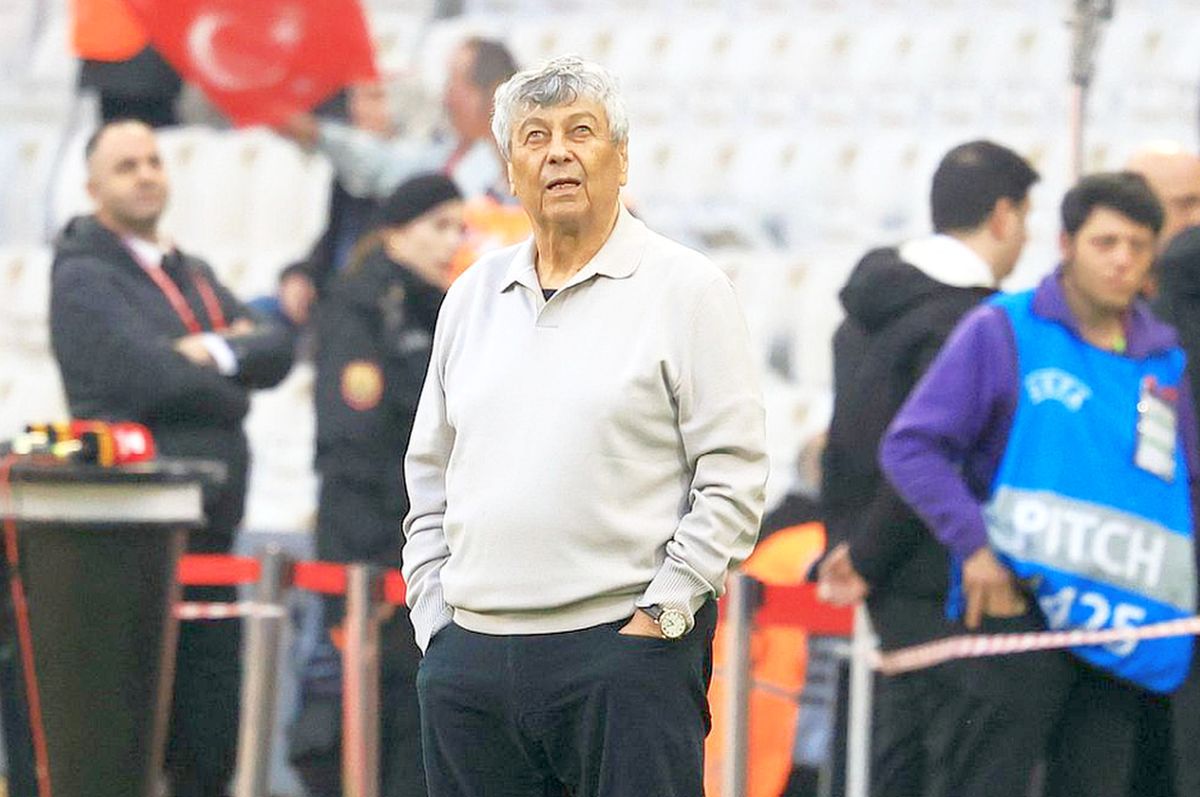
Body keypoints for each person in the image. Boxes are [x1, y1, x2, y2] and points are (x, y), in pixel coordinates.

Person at [401, 56, 768, 796]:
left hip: (621, 655)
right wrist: (435, 621)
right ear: (510, 170)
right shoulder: (470, 295)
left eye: (581, 132)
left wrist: (664, 616)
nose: (558, 153)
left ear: (621, 159)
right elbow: (430, 473)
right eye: (534, 137)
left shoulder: (688, 288)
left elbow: (734, 474)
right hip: (472, 661)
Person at [881, 171, 1199, 797]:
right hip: (1016, 611)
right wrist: (974, 548)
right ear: (1066, 244)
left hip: (1121, 628)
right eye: (1105, 242)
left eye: (1137, 246)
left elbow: (1184, 484)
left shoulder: (1164, 361)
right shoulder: (1003, 329)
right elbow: (912, 446)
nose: (1121, 260)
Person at [48, 118, 294, 797]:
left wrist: (209, 351)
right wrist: (233, 376)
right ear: (92, 186)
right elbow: (147, 377)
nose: (146, 175)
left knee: (208, 745)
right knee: (129, 750)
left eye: (153, 161)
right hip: (128, 550)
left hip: (211, 539)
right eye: (126, 166)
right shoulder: (84, 275)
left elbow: (277, 344)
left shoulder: (192, 271)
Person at [816, 140, 1038, 796]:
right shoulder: (973, 321)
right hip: (942, 576)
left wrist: (855, 551)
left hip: (875, 576)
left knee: (889, 767)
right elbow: (921, 455)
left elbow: (847, 444)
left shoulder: (867, 309)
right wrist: (870, 556)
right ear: (1003, 216)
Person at [290, 173, 465, 797]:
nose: (452, 242)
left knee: (417, 718)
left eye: (459, 228)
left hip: (430, 547)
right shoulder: (360, 309)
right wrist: (371, 564)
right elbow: (353, 446)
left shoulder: (442, 309)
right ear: (395, 233)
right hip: (375, 553)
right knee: (367, 718)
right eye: (438, 226)